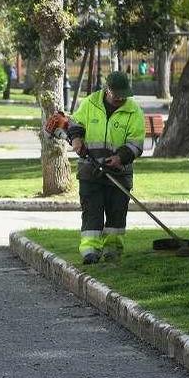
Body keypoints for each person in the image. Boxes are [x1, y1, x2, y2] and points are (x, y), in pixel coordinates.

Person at [53, 71, 145, 264]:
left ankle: (112, 251)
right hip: (90, 170)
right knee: (91, 212)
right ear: (107, 89)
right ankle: (90, 252)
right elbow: (75, 124)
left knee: (116, 213)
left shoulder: (134, 111)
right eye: (117, 94)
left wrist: (120, 157)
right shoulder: (89, 104)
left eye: (124, 94)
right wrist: (77, 139)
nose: (121, 98)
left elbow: (136, 144)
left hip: (119, 172)